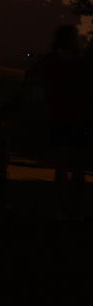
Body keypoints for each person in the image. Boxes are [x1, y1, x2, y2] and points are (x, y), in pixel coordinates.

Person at [42, 24, 91, 220]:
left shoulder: (51, 63)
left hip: (58, 117)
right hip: (77, 119)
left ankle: (61, 207)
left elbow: (46, 92)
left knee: (61, 166)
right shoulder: (81, 64)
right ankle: (74, 208)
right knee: (77, 166)